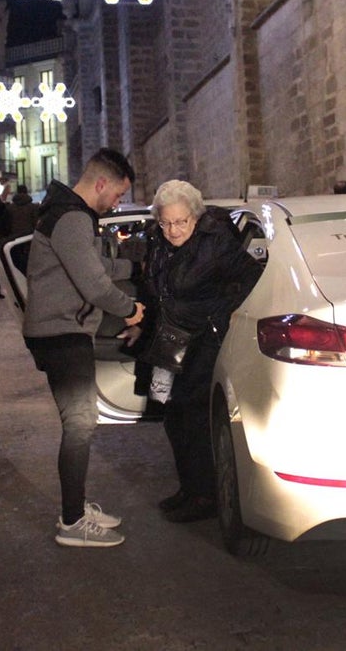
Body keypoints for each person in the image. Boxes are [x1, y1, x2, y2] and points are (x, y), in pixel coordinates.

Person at [22, 148, 146, 547]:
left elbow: (96, 268)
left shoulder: (70, 214)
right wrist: (130, 311)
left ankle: (75, 506)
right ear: (101, 184)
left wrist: (135, 267)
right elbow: (94, 285)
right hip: (61, 334)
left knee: (80, 423)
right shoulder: (73, 218)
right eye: (118, 194)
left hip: (61, 330)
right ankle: (72, 522)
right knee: (80, 424)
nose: (118, 203)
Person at [120, 180, 262, 522]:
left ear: (195, 218)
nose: (172, 230)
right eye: (166, 222)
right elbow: (156, 290)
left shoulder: (216, 243)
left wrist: (224, 313)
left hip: (203, 340)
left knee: (195, 417)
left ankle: (206, 496)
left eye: (180, 222)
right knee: (172, 416)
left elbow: (252, 278)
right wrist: (142, 322)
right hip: (169, 340)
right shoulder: (157, 240)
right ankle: (189, 488)